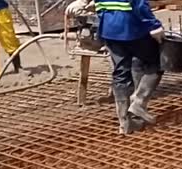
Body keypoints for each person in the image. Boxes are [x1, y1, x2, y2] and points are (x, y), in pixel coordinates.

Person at [66, 0, 165, 135]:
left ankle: (124, 122)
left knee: (120, 72)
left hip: (109, 30)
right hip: (131, 28)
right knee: (156, 63)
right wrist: (154, 26)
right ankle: (138, 103)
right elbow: (139, 4)